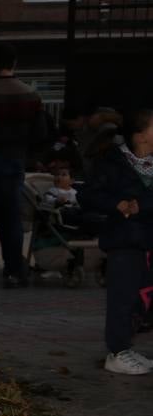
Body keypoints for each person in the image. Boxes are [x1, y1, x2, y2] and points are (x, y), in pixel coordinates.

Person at [77, 110, 153, 375]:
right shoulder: (112, 161)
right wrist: (117, 204)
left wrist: (140, 206)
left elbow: (143, 204)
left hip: (148, 238)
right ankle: (117, 351)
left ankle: (128, 347)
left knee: (141, 299)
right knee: (122, 296)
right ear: (141, 135)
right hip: (124, 239)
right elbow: (88, 195)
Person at [0, 44, 50, 288]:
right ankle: (14, 268)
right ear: (14, 64)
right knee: (11, 218)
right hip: (15, 161)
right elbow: (40, 134)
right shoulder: (30, 95)